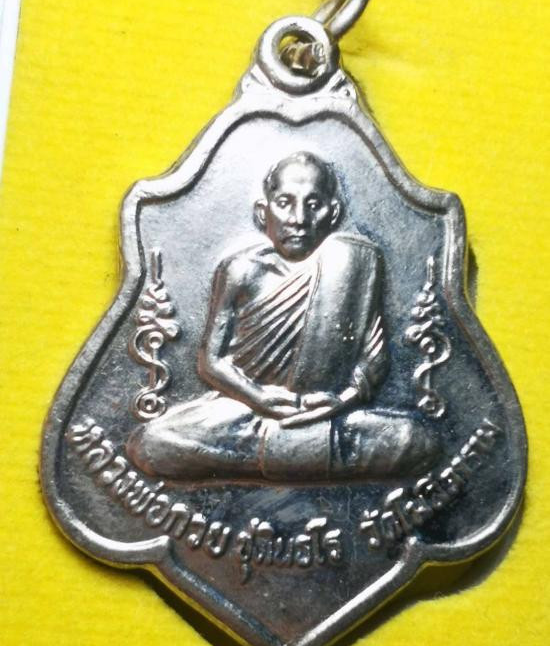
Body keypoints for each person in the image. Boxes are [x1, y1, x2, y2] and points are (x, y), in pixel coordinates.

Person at [127, 151, 439, 480]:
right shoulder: (240, 269)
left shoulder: (355, 263)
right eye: (285, 203)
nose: (298, 219)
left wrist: (342, 400)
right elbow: (210, 362)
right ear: (263, 213)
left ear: (333, 213)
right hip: (246, 413)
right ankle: (308, 453)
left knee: (418, 441)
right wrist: (260, 398)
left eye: (313, 204)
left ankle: (271, 456)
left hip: (331, 414)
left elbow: (374, 360)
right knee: (150, 444)